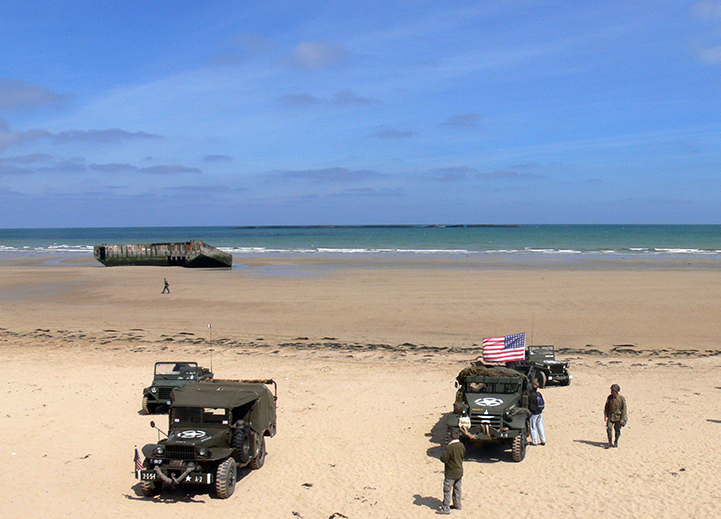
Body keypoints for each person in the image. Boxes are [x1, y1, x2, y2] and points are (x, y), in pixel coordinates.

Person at [437, 428, 465, 514]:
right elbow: (463, 456)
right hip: (459, 471)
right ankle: (457, 504)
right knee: (457, 489)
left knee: (447, 490)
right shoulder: (461, 446)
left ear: (450, 436)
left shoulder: (450, 447)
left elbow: (444, 459)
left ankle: (446, 508)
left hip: (451, 472)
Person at [604, 383, 627, 448]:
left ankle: (616, 441)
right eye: (611, 390)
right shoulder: (609, 398)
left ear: (616, 391)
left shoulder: (621, 399)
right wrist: (606, 416)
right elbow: (606, 407)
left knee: (617, 431)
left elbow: (624, 409)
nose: (612, 392)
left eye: (613, 391)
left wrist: (622, 419)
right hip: (610, 416)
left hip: (618, 417)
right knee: (609, 428)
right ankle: (610, 442)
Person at [528, 379, 546, 446]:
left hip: (534, 414)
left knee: (532, 427)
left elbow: (530, 405)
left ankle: (535, 442)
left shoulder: (531, 395)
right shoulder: (539, 394)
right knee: (540, 426)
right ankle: (543, 440)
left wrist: (532, 411)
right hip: (540, 412)